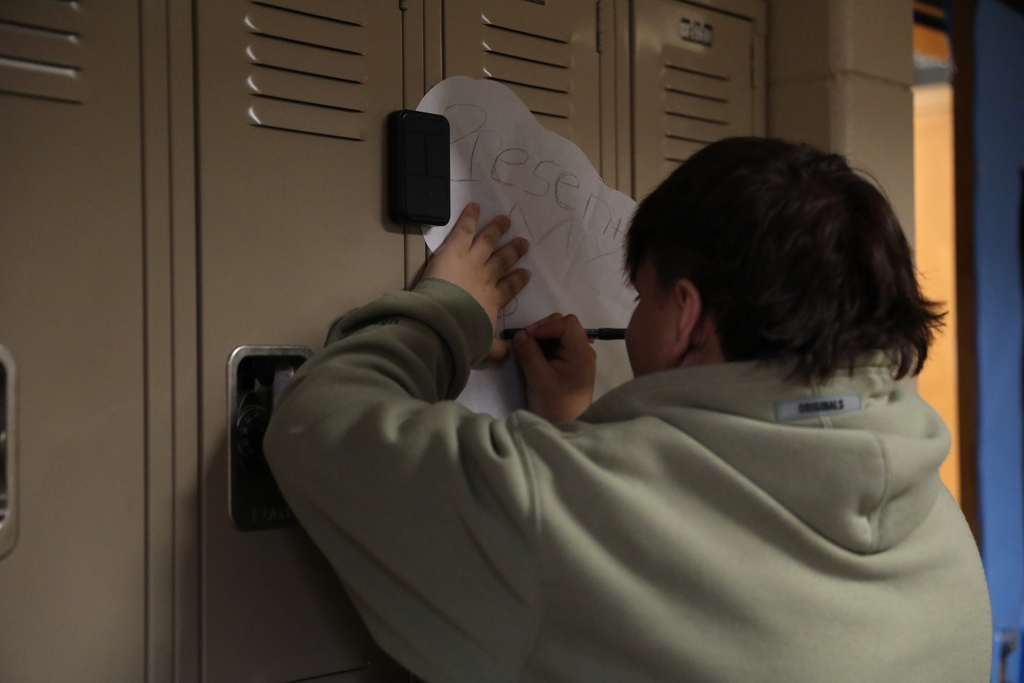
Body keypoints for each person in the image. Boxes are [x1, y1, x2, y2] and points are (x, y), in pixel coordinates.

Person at [264, 137, 992, 683]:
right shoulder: (939, 523)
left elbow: (315, 422)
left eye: (641, 296)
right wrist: (570, 434)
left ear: (685, 315)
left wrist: (445, 314)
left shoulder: (556, 503)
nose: (632, 317)